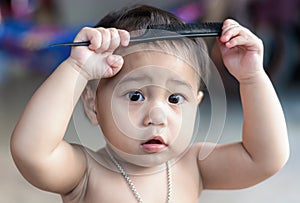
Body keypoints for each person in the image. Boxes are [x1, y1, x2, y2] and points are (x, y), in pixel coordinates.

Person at [10, 4, 289, 203]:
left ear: (197, 105)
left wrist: (252, 77)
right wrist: (77, 70)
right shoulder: (85, 172)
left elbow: (265, 157)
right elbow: (31, 151)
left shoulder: (194, 166)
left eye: (175, 99)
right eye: (135, 96)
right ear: (93, 105)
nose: (156, 115)